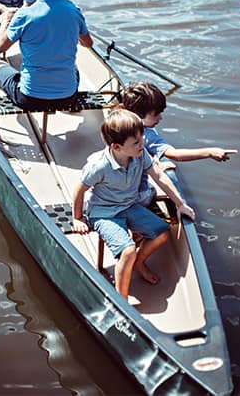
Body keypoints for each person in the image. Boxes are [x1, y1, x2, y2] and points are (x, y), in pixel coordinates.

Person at [70, 109, 196, 304]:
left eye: (142, 138)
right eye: (136, 142)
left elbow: (159, 176)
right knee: (127, 250)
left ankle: (139, 262)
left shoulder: (139, 155)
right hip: (104, 213)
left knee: (162, 233)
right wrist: (77, 218)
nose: (142, 143)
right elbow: (79, 190)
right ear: (117, 147)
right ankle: (122, 300)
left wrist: (180, 204)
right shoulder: (99, 165)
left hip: (129, 205)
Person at [0, 0, 93, 109]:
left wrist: (4, 22)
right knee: (75, 69)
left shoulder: (24, 15)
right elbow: (88, 43)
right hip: (67, 96)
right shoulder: (73, 10)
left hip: (29, 97)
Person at [120, 81, 238, 203]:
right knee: (159, 181)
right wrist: (209, 152)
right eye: (156, 114)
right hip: (138, 195)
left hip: (121, 186)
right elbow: (175, 155)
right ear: (139, 115)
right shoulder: (146, 135)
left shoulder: (120, 124)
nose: (160, 118)